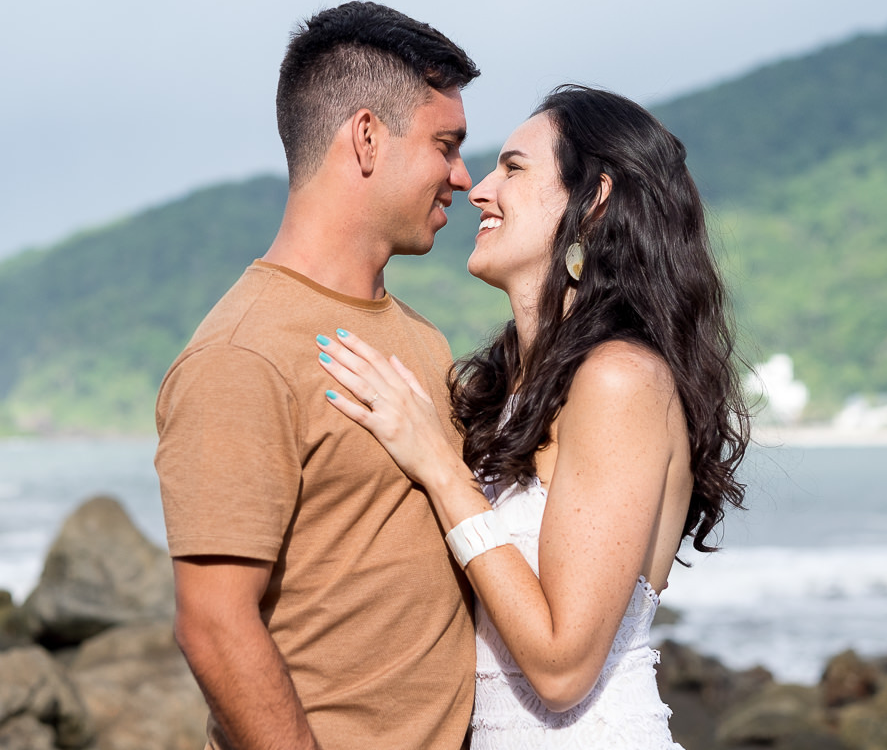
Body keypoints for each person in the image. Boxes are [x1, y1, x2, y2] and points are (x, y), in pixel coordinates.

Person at [317, 85, 751, 748]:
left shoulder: (618, 380)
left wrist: (438, 465)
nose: (480, 189)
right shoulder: (511, 388)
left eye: (514, 168)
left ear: (594, 200)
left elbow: (561, 667)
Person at [155, 1, 480, 750]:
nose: (462, 177)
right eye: (446, 144)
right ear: (367, 136)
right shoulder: (241, 355)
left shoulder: (422, 338)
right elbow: (211, 622)